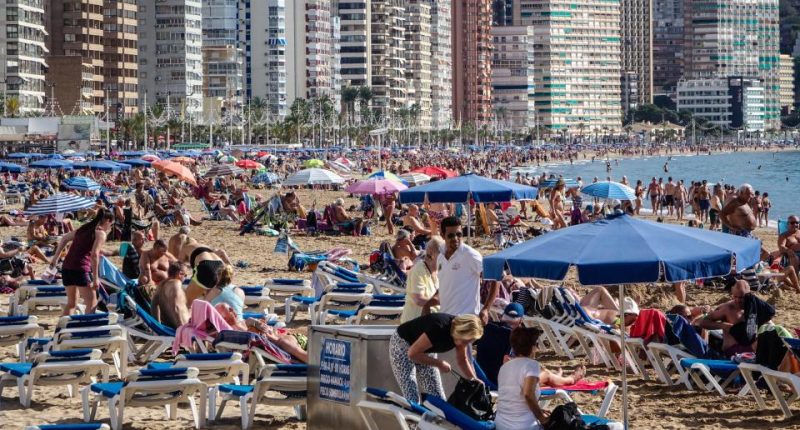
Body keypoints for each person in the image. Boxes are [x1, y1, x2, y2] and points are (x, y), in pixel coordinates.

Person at [390, 313, 483, 402]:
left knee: (438, 398)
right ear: (462, 332)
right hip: (403, 345)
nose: (467, 344)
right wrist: (439, 364)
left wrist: (473, 379)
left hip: (426, 351)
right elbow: (412, 354)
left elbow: (462, 359)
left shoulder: (460, 336)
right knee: (412, 397)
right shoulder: (439, 327)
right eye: (467, 341)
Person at [425, 216, 497, 324]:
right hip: (445, 319)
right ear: (442, 236)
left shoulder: (470, 255)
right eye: (451, 235)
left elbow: (496, 278)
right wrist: (428, 304)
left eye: (459, 234)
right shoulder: (440, 257)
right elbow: (445, 287)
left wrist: (486, 309)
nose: (455, 238)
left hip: (467, 320)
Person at [49, 209, 114, 315]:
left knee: (71, 304)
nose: (110, 227)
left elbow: (65, 238)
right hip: (80, 269)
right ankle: (88, 328)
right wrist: (96, 278)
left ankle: (61, 329)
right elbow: (94, 255)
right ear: (107, 220)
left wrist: (55, 258)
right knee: (92, 302)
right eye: (111, 224)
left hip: (67, 268)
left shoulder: (85, 228)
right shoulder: (101, 233)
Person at [697, 280, 752, 356]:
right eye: (735, 296)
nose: (738, 300)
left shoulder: (753, 307)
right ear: (732, 294)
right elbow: (703, 322)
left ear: (749, 295)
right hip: (732, 350)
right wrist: (724, 326)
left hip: (749, 347)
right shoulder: (727, 308)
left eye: (742, 297)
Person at [401, 237, 443, 323]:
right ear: (431, 254)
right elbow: (419, 300)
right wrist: (441, 300)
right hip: (414, 323)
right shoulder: (419, 269)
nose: (446, 258)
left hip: (431, 321)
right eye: (442, 254)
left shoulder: (439, 270)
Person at [152, 261, 191, 329]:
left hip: (169, 325)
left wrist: (158, 324)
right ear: (180, 274)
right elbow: (176, 307)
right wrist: (181, 328)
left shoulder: (161, 284)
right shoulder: (176, 283)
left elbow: (154, 304)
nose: (185, 277)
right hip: (182, 326)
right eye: (185, 275)